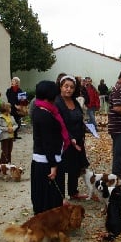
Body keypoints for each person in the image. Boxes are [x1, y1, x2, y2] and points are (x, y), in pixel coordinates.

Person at [31, 80, 70, 214]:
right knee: (49, 195)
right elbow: (47, 142)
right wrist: (53, 166)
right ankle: (49, 223)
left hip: (46, 158)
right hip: (46, 161)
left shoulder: (42, 110)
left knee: (45, 193)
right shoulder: (44, 114)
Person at [55, 75, 90, 200]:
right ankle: (60, 196)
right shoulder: (57, 102)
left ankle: (73, 192)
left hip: (78, 139)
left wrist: (85, 127)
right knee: (62, 168)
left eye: (71, 87)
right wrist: (69, 138)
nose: (68, 89)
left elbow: (79, 117)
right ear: (60, 87)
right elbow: (60, 123)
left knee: (75, 167)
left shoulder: (74, 101)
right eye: (66, 86)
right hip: (64, 141)